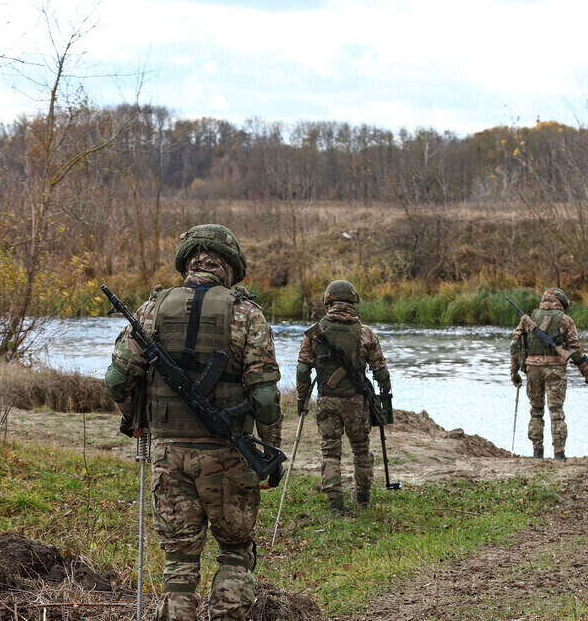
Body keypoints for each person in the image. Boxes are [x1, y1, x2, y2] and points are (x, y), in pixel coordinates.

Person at [104, 224, 283, 621]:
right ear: (231, 266)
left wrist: (136, 420)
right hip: (229, 457)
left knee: (180, 561)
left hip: (168, 455)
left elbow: (117, 380)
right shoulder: (246, 313)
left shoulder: (151, 310)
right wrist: (270, 452)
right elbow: (265, 397)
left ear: (188, 261)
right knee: (235, 552)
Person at [296, 280, 391, 515]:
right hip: (356, 402)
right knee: (360, 449)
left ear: (328, 301)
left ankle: (335, 504)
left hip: (327, 399)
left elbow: (302, 370)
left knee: (330, 451)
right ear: (353, 301)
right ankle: (364, 499)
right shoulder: (366, 333)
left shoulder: (315, 333)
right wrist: (384, 395)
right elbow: (380, 371)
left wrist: (301, 399)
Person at [509, 288, 588, 460]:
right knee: (556, 412)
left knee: (536, 410)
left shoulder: (529, 317)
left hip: (532, 369)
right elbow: (576, 351)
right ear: (561, 302)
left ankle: (537, 452)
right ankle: (559, 454)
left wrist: (514, 372)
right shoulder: (565, 320)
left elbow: (514, 345)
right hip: (556, 369)